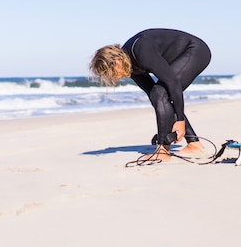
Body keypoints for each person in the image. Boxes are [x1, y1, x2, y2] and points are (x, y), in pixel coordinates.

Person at [89, 28, 212, 162]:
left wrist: (180, 120)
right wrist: (168, 125)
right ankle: (194, 144)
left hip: (195, 50)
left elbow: (172, 82)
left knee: (161, 92)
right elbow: (157, 99)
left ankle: (163, 151)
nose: (114, 78)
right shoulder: (130, 66)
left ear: (118, 60)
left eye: (112, 72)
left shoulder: (141, 50)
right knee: (158, 95)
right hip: (180, 56)